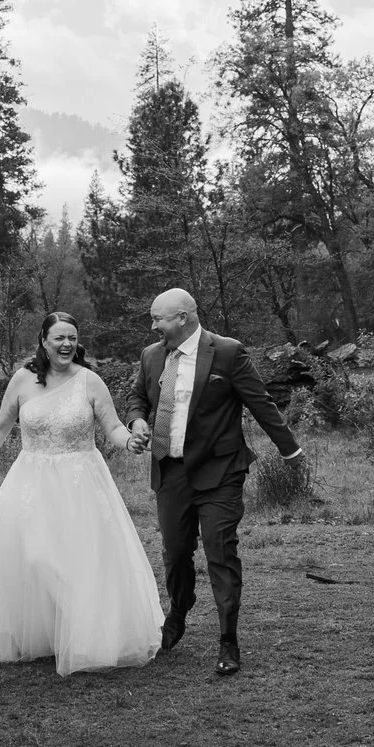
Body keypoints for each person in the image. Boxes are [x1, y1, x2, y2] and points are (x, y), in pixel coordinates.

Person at [0, 312, 164, 675]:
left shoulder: (90, 382)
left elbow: (112, 426)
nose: (66, 344)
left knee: (77, 557)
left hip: (80, 481)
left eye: (72, 338)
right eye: (59, 338)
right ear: (44, 341)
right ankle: (43, 629)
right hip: (32, 480)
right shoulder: (23, 379)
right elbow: (1, 425)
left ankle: (80, 629)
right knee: (34, 555)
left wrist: (130, 442)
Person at [117, 287, 303, 677]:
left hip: (220, 471)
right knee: (175, 553)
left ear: (182, 318)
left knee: (220, 550)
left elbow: (260, 402)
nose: (153, 326)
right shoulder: (152, 356)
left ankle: (228, 640)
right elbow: (137, 397)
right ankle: (178, 612)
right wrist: (137, 421)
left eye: (158, 319)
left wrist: (291, 451)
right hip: (170, 472)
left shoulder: (227, 352)